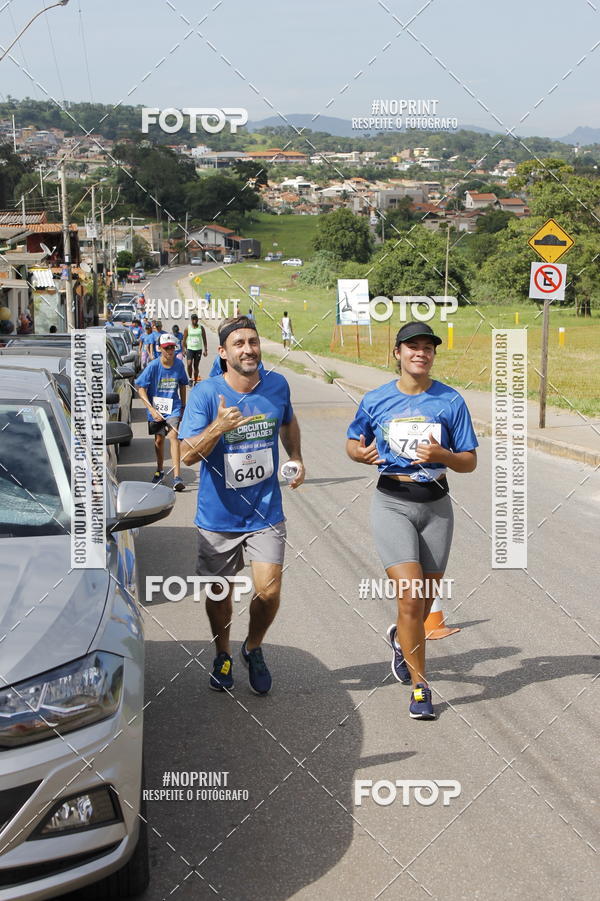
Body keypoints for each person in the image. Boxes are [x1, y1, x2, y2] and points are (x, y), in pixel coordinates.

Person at [346, 322, 478, 721]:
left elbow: (469, 461)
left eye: (427, 348)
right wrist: (360, 454)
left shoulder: (450, 401)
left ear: (434, 355)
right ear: (398, 353)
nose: (420, 353)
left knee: (421, 603)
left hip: (436, 505)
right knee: (408, 596)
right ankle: (421, 688)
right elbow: (352, 442)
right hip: (393, 502)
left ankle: (401, 639)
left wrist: (443, 454)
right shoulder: (376, 399)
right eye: (412, 347)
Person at [179, 315, 304, 695]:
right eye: (239, 343)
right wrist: (217, 428)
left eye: (253, 341)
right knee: (220, 594)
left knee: (268, 591)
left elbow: (288, 422)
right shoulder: (205, 394)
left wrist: (295, 455)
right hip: (218, 516)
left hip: (265, 511)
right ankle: (222, 652)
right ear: (222, 352)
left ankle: (252, 646)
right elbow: (186, 456)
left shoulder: (277, 385)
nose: (248, 349)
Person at [135, 333, 188, 490]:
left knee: (173, 436)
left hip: (174, 407)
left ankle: (177, 477)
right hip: (156, 409)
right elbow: (140, 388)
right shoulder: (153, 366)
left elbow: (183, 384)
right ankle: (160, 470)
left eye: (172, 347)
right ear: (160, 349)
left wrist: (183, 406)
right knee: (159, 441)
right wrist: (151, 409)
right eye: (167, 348)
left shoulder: (179, 365)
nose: (170, 351)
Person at [183, 313, 207, 386]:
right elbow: (184, 340)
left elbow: (204, 339)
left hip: (198, 349)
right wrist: (184, 349)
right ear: (191, 320)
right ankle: (190, 378)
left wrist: (205, 349)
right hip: (190, 349)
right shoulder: (188, 328)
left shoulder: (201, 328)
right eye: (193, 319)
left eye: (196, 319)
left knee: (196, 366)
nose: (195, 320)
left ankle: (196, 380)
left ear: (197, 319)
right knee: (189, 364)